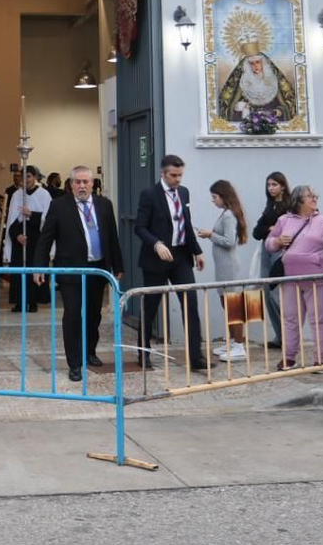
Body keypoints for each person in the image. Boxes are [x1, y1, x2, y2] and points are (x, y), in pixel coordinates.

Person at [34, 165, 123, 381]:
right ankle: (74, 363)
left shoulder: (104, 205)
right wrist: (39, 266)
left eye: (86, 182)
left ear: (92, 184)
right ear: (71, 184)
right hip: (71, 271)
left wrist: (118, 266)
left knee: (94, 314)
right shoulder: (59, 206)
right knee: (73, 315)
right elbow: (46, 238)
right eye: (78, 182)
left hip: (97, 270)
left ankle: (89, 351)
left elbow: (112, 236)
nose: (82, 186)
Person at [136, 155, 208, 372]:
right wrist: (156, 244)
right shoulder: (149, 194)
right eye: (173, 175)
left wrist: (197, 251)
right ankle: (143, 352)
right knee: (150, 307)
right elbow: (140, 227)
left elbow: (187, 223)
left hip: (181, 257)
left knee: (190, 304)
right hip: (156, 259)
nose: (178, 179)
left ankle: (195, 357)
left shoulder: (183, 192)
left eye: (180, 175)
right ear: (163, 173)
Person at [265, 185, 323, 370]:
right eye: (310, 195)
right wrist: (277, 241)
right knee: (290, 319)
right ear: (298, 200)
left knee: (320, 320)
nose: (314, 198)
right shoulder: (284, 220)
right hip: (290, 279)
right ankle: (289, 358)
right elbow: (269, 244)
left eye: (315, 195)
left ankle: (320, 360)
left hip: (321, 279)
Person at [196, 179, 249, 360]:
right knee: (227, 305)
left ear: (224, 196)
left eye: (215, 197)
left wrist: (210, 234)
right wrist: (211, 235)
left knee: (233, 306)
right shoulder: (226, 213)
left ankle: (239, 346)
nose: (213, 201)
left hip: (229, 268)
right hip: (223, 267)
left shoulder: (228, 216)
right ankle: (233, 343)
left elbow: (229, 241)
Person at [3, 165, 52, 311]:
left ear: (35, 177)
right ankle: (20, 302)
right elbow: (12, 220)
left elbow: (49, 219)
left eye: (29, 177)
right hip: (20, 239)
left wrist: (31, 214)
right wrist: (17, 235)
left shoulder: (44, 195)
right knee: (20, 270)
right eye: (23, 177)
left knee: (34, 268)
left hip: (36, 238)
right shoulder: (17, 195)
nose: (26, 180)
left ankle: (33, 302)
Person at [251, 170, 289, 348]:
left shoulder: (289, 207)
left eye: (274, 184)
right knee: (267, 293)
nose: (271, 188)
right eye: (268, 185)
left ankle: (289, 334)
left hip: (280, 251)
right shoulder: (270, 206)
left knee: (275, 294)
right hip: (266, 250)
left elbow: (289, 230)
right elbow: (256, 232)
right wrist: (269, 228)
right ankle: (280, 336)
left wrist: (271, 229)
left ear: (283, 186)